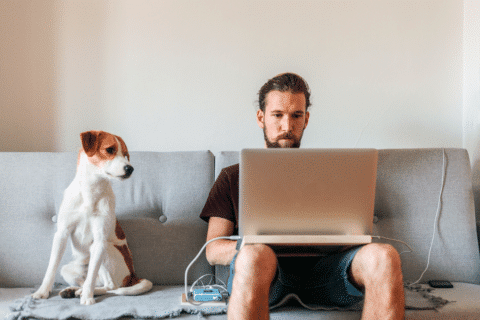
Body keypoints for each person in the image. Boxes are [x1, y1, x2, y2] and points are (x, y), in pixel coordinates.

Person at [200, 73, 405, 320]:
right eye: (277, 115)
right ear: (261, 118)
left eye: (296, 115)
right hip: (266, 276)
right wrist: (252, 245)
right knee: (256, 255)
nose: (287, 127)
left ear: (306, 119)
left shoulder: (334, 173)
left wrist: (346, 238)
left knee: (384, 256)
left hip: (328, 274)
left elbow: (354, 233)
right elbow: (213, 249)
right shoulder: (232, 177)